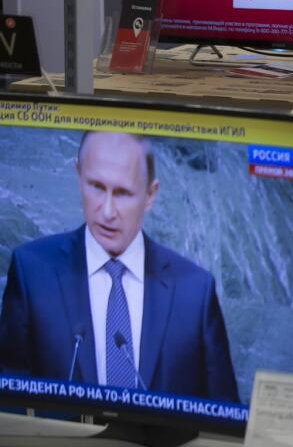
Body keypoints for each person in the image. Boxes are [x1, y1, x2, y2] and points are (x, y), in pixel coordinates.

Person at [0, 131, 239, 402]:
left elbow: (223, 415)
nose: (107, 212)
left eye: (123, 193)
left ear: (150, 194)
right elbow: (10, 405)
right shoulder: (32, 273)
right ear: (79, 177)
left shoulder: (194, 292)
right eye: (97, 187)